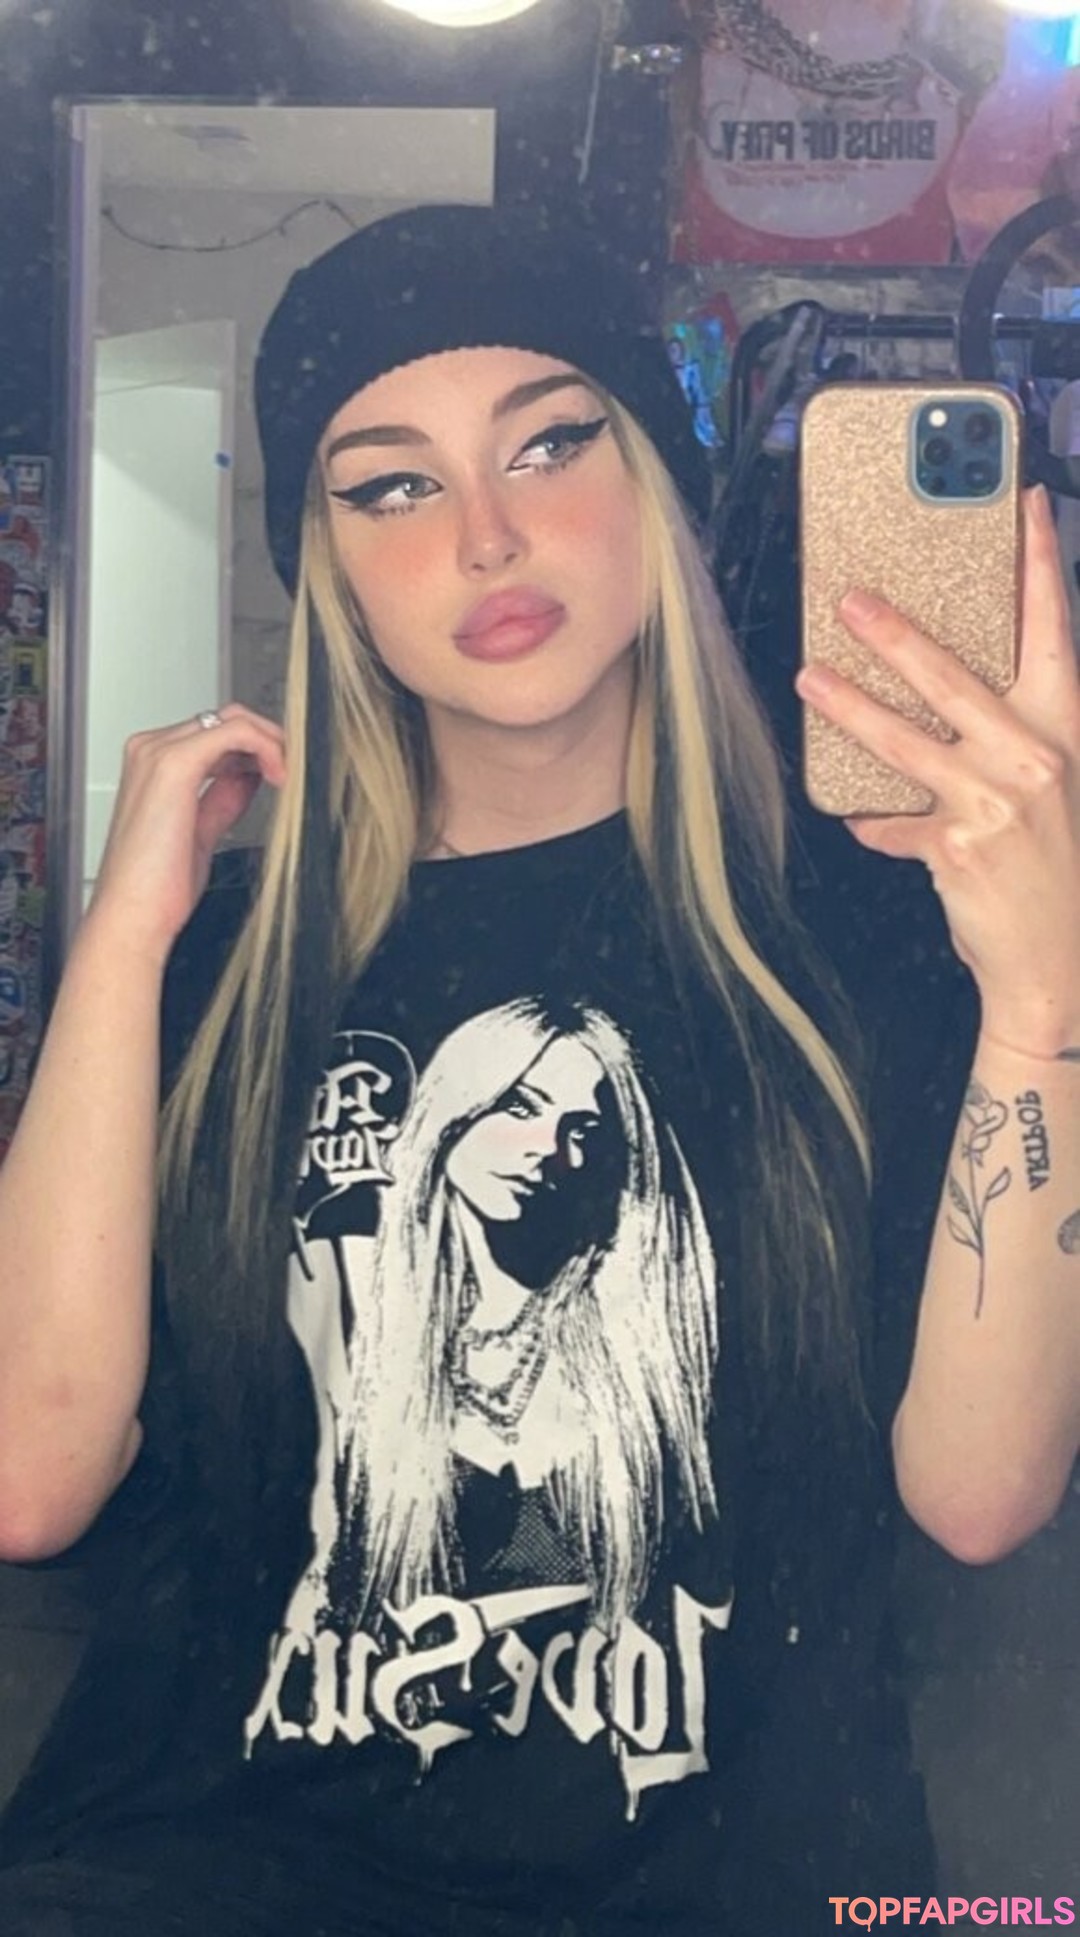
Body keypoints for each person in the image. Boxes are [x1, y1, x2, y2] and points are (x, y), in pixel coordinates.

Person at [0, 202, 1077, 1936]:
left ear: (655, 482)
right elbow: (26, 1479)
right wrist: (125, 940)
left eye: (552, 443)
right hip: (209, 1861)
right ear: (329, 564)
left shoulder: (873, 918)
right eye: (392, 485)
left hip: (734, 1885)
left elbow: (978, 1499)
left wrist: (1041, 993)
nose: (487, 535)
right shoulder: (219, 956)